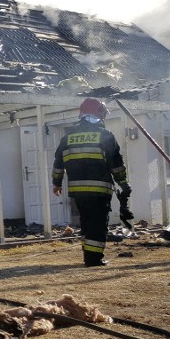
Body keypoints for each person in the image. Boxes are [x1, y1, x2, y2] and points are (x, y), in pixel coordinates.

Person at [52, 98, 130, 266]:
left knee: (86, 223)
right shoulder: (104, 136)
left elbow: (58, 162)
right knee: (98, 224)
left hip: (78, 191)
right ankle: (94, 259)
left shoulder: (68, 137)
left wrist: (56, 183)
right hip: (99, 190)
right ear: (99, 114)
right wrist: (123, 183)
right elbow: (116, 164)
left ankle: (88, 256)